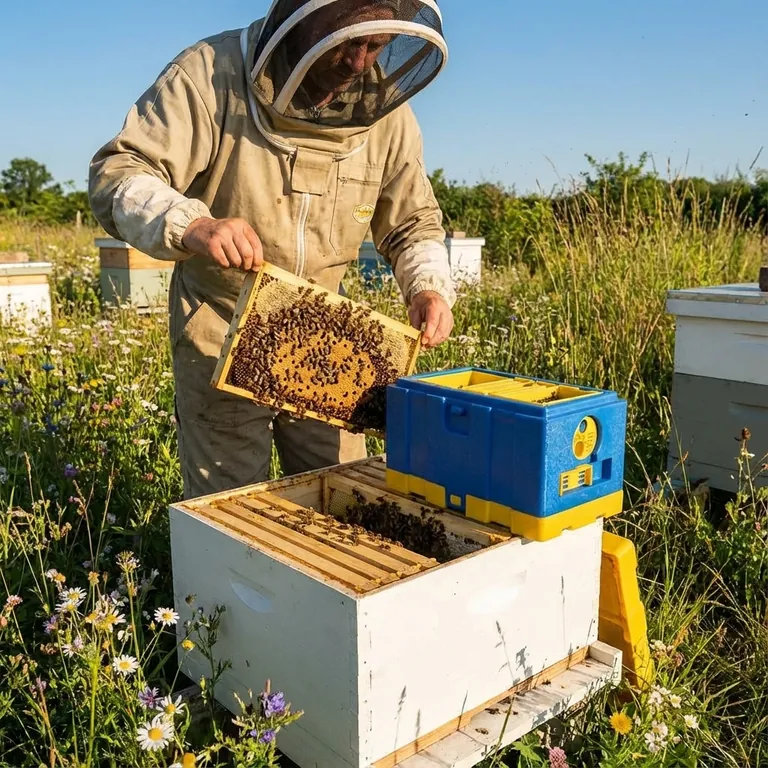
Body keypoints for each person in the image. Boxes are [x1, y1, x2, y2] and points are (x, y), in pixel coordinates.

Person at [88, 0, 456, 500]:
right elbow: (120, 175)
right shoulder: (208, 75)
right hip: (220, 330)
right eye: (348, 42)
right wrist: (195, 223)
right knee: (231, 509)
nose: (359, 62)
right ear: (304, 23)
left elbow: (413, 221)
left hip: (332, 347)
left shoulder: (386, 114)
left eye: (376, 46)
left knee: (345, 495)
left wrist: (428, 286)